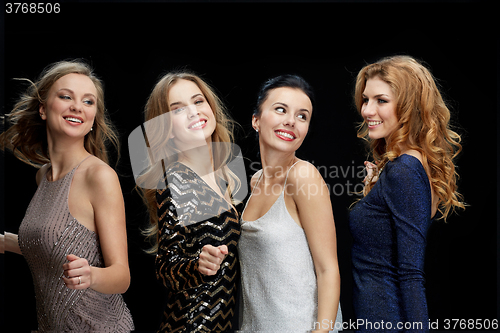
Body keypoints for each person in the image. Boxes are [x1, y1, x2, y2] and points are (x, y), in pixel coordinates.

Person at [0, 60, 134, 332]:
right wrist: (4, 242)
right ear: (42, 109)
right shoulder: (43, 176)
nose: (77, 107)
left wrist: (90, 275)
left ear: (94, 117)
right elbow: (47, 243)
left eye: (88, 102)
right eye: (66, 97)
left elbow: (122, 276)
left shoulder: (98, 176)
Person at [349, 55, 465, 332]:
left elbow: (411, 274)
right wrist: (372, 197)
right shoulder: (401, 167)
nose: (367, 110)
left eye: (381, 100)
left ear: (409, 106)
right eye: (366, 100)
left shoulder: (405, 170)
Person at [135, 71, 242, 332]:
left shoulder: (227, 174)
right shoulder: (175, 181)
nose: (194, 112)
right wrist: (197, 264)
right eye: (178, 109)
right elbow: (164, 267)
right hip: (190, 325)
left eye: (198, 101)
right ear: (166, 128)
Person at [238, 75, 342, 332]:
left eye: (302, 116)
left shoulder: (303, 175)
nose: (291, 121)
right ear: (256, 120)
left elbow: (328, 270)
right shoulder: (254, 182)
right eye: (281, 109)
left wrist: (322, 330)